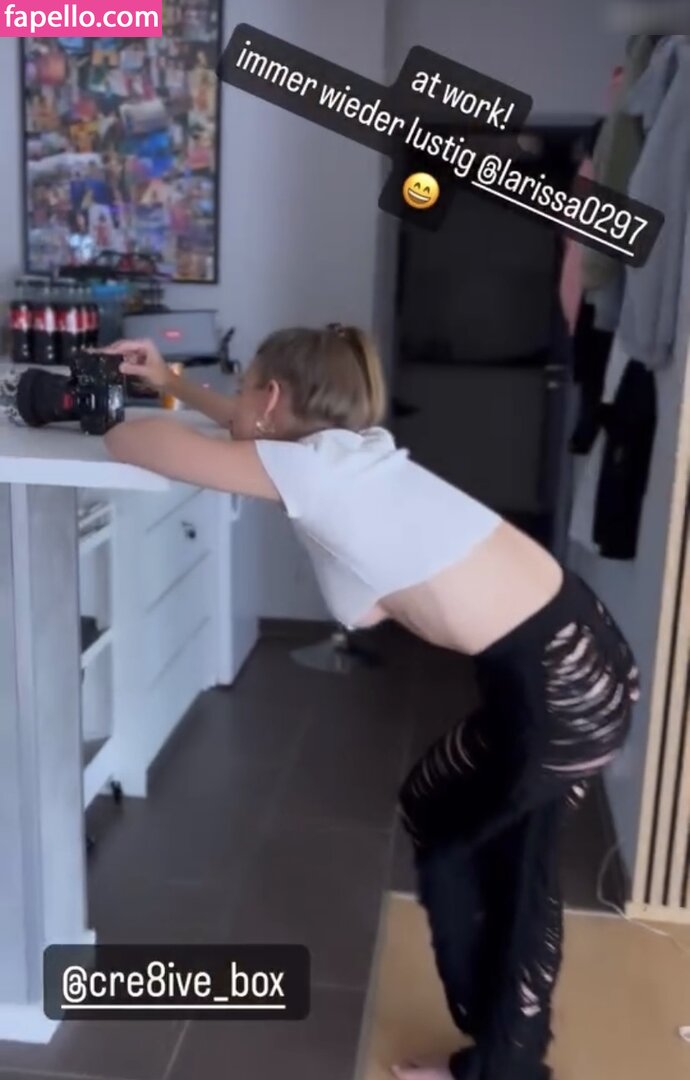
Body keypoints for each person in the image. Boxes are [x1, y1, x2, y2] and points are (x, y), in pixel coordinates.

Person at [102, 326, 638, 1080]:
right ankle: (499, 1040)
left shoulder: (315, 473)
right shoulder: (345, 454)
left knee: (503, 863)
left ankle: (504, 1065)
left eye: (246, 385)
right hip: (574, 648)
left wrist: (104, 408)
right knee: (441, 812)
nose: (238, 399)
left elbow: (137, 444)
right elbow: (244, 427)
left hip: (561, 684)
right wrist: (171, 380)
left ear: (273, 398)